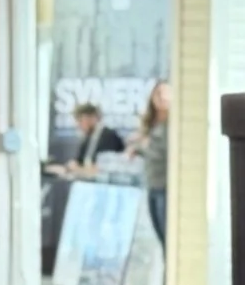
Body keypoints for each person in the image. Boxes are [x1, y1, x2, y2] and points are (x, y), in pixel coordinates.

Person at [133, 78, 172, 244]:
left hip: (165, 185)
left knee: (167, 238)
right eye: (158, 93)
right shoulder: (151, 123)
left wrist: (144, 146)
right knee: (159, 236)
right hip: (152, 183)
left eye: (166, 93)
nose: (162, 97)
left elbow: (164, 151)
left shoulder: (172, 124)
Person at [52, 101, 125, 174]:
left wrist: (79, 169)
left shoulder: (109, 136)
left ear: (93, 118)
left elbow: (103, 168)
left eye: (81, 120)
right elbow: (78, 161)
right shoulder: (87, 138)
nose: (78, 125)